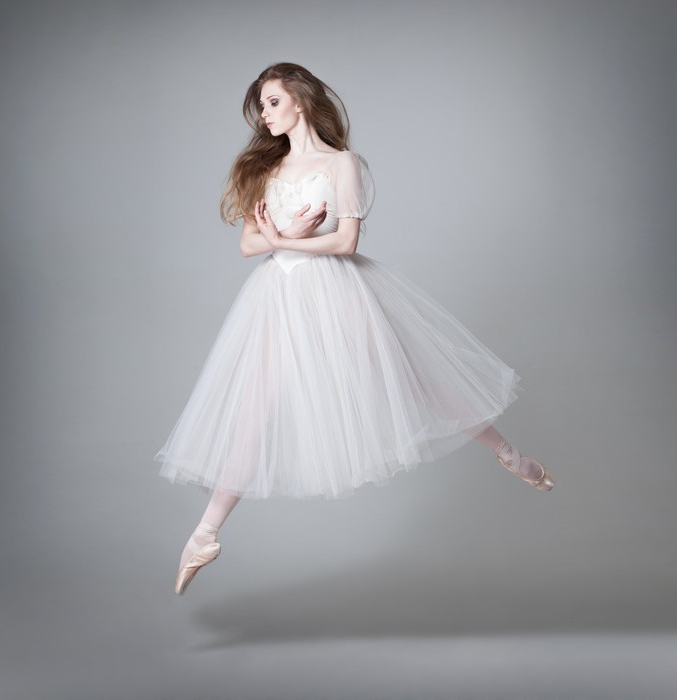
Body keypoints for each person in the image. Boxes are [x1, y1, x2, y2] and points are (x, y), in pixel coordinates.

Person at [153, 62, 556, 596]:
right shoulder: (264, 169)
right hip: (278, 297)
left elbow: (346, 242)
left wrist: (287, 238)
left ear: (299, 100)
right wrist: (285, 236)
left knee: (414, 379)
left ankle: (508, 454)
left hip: (337, 290)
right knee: (253, 412)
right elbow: (249, 244)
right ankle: (204, 536)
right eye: (261, 106)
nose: (264, 115)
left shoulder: (341, 163)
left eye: (272, 102)